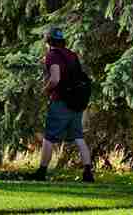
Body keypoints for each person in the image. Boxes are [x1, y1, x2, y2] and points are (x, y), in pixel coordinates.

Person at [28, 28, 94, 182]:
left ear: (48, 41)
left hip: (61, 101)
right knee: (78, 136)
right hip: (77, 102)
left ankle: (41, 172)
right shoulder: (72, 54)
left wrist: (45, 91)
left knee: (49, 137)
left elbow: (55, 79)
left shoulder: (52, 55)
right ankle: (88, 173)